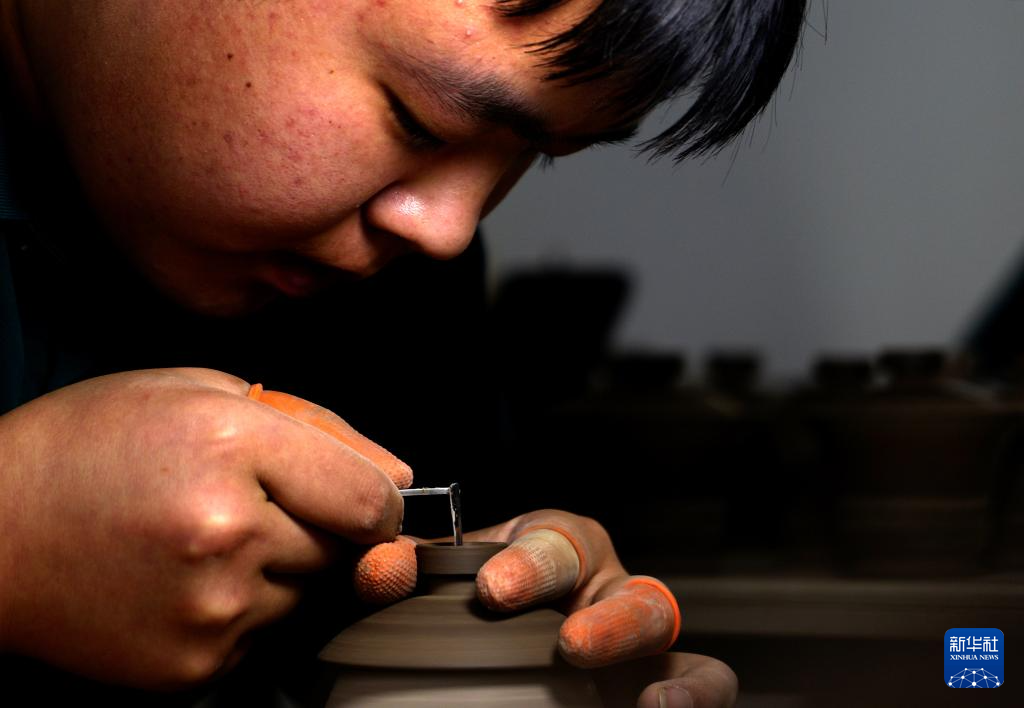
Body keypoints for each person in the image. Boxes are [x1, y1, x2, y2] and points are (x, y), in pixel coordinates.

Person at [0, 1, 807, 705]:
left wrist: (509, 629)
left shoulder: (399, 286)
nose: (448, 230)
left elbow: (333, 626)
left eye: (536, 153)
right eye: (421, 119)